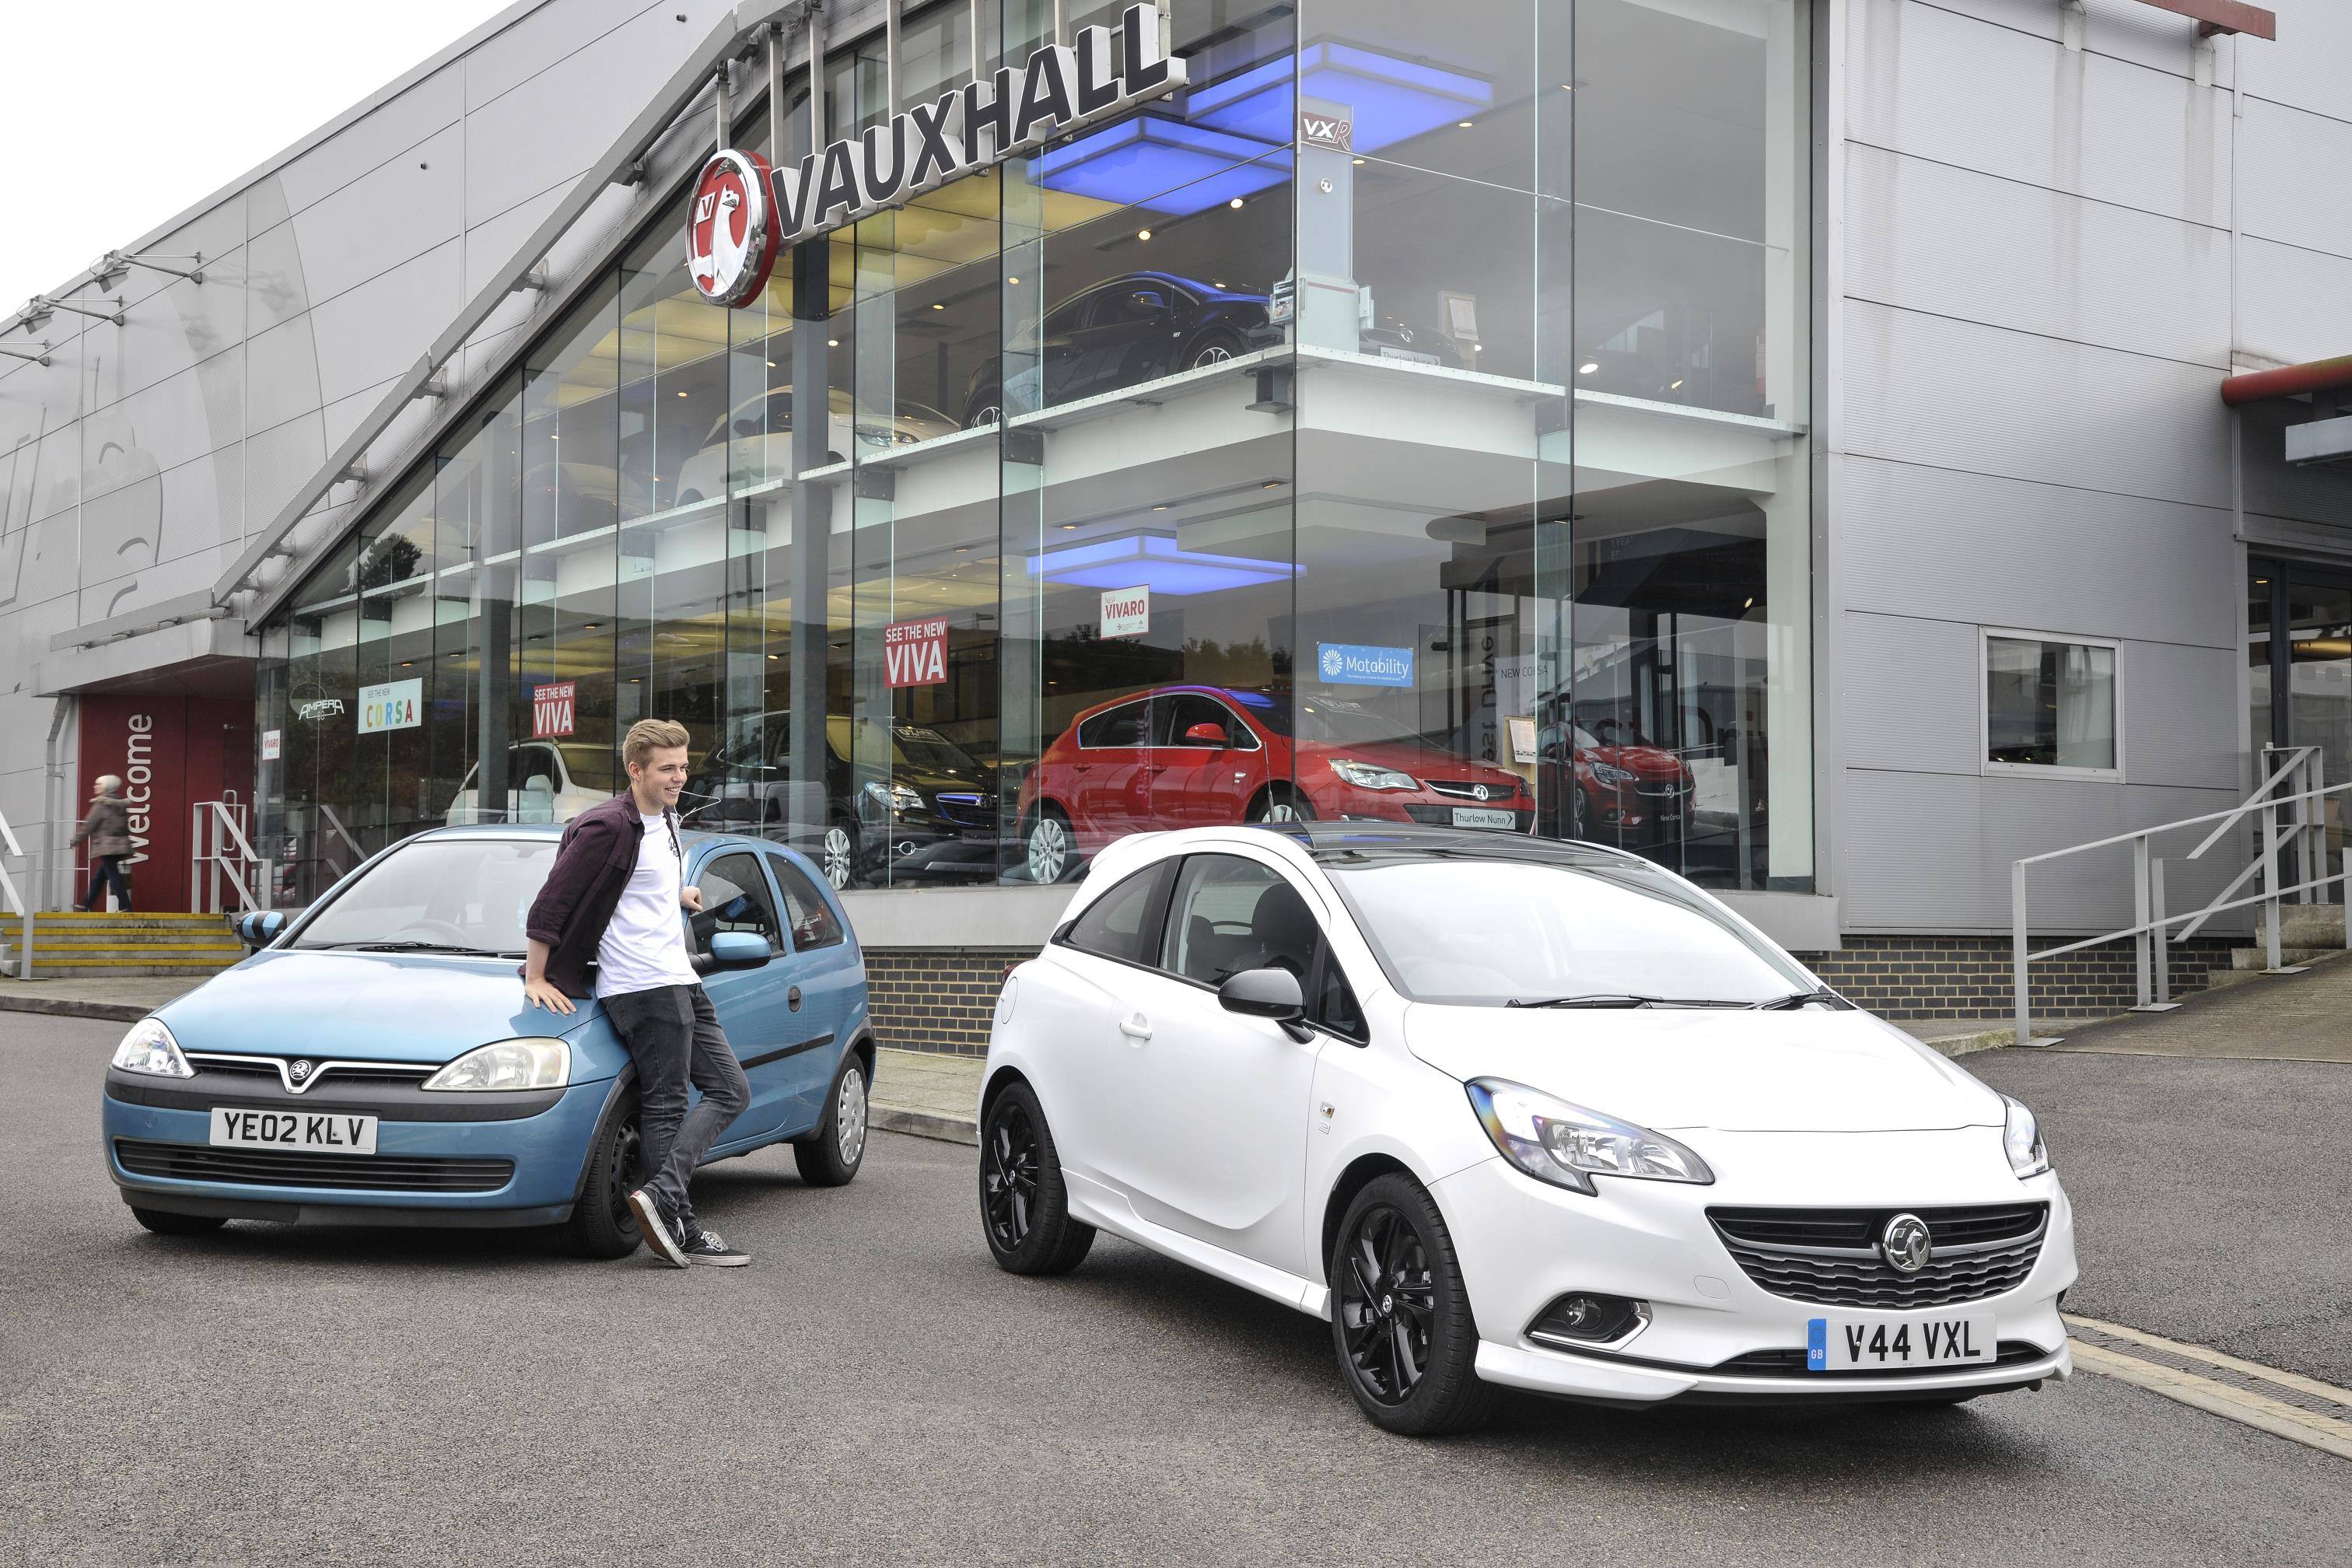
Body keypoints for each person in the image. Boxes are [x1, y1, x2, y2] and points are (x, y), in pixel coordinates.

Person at [520, 719, 752, 1269]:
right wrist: (535, 976)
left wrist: (680, 893)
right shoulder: (607, 826)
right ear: (636, 770)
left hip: (679, 976)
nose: (680, 777)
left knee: (730, 1090)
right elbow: (550, 905)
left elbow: (637, 882)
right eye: (667, 768)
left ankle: (663, 1197)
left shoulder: (667, 819)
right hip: (643, 985)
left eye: (684, 766)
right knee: (668, 1102)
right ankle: (679, 1220)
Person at [71, 775, 134, 912]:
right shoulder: (120, 804)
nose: (95, 787)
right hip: (120, 846)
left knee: (113, 876)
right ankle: (85, 905)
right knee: (99, 878)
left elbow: (89, 825)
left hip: (107, 847)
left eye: (98, 784)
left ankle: (125, 906)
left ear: (106, 787)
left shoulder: (101, 805)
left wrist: (75, 840)